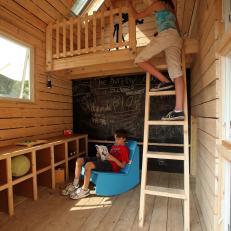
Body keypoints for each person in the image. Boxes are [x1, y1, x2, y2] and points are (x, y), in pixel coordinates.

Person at [128, 0, 185, 121]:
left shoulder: (157, 4)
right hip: (176, 38)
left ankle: (165, 81)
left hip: (166, 35)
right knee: (176, 73)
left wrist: (129, 4)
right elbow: (173, 27)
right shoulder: (171, 8)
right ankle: (179, 110)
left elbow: (136, 16)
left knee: (139, 59)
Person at [61, 129, 129, 199]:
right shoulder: (114, 146)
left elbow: (122, 165)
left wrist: (113, 159)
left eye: (118, 139)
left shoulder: (124, 149)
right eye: (115, 139)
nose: (116, 141)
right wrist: (100, 155)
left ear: (124, 139)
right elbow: (107, 156)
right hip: (104, 161)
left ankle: (84, 190)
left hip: (111, 165)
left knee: (88, 165)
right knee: (79, 160)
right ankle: (75, 184)